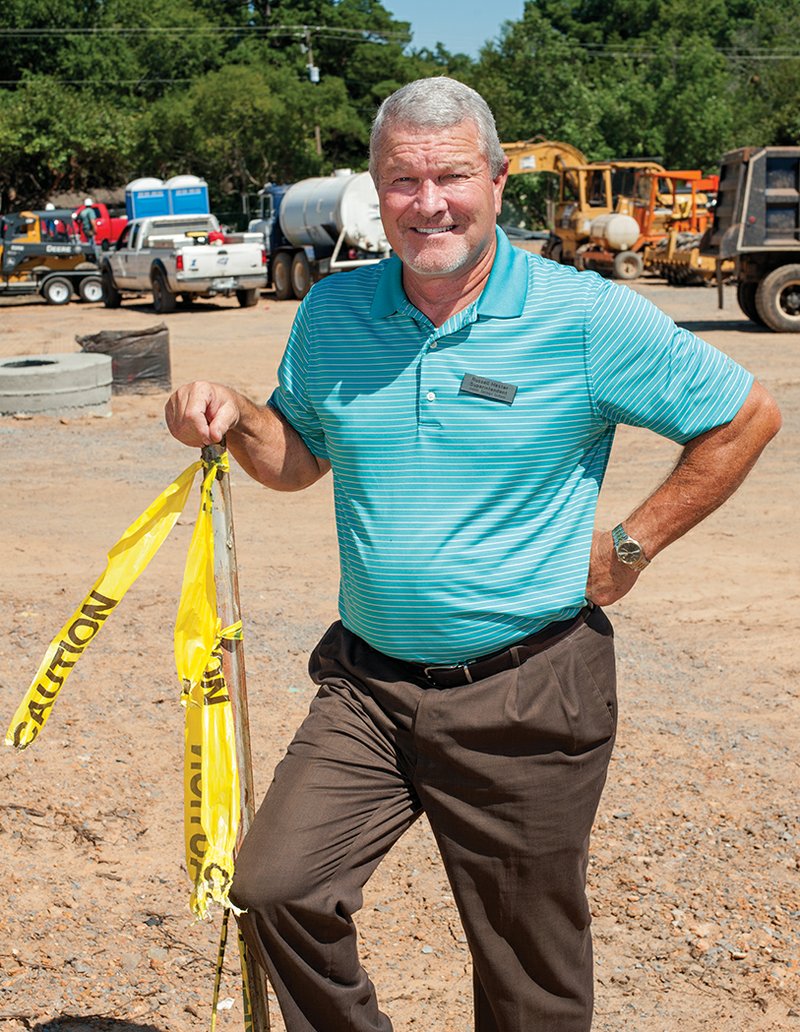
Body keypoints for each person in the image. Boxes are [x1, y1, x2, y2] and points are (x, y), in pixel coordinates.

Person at [165, 78, 781, 1032]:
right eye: (403, 182)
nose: (429, 203)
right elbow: (297, 459)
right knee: (278, 885)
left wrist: (630, 544)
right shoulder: (334, 314)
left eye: (451, 175)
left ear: (497, 182)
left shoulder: (581, 316)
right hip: (367, 687)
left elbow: (745, 417)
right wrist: (236, 412)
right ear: (377, 192)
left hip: (527, 690)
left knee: (524, 976)